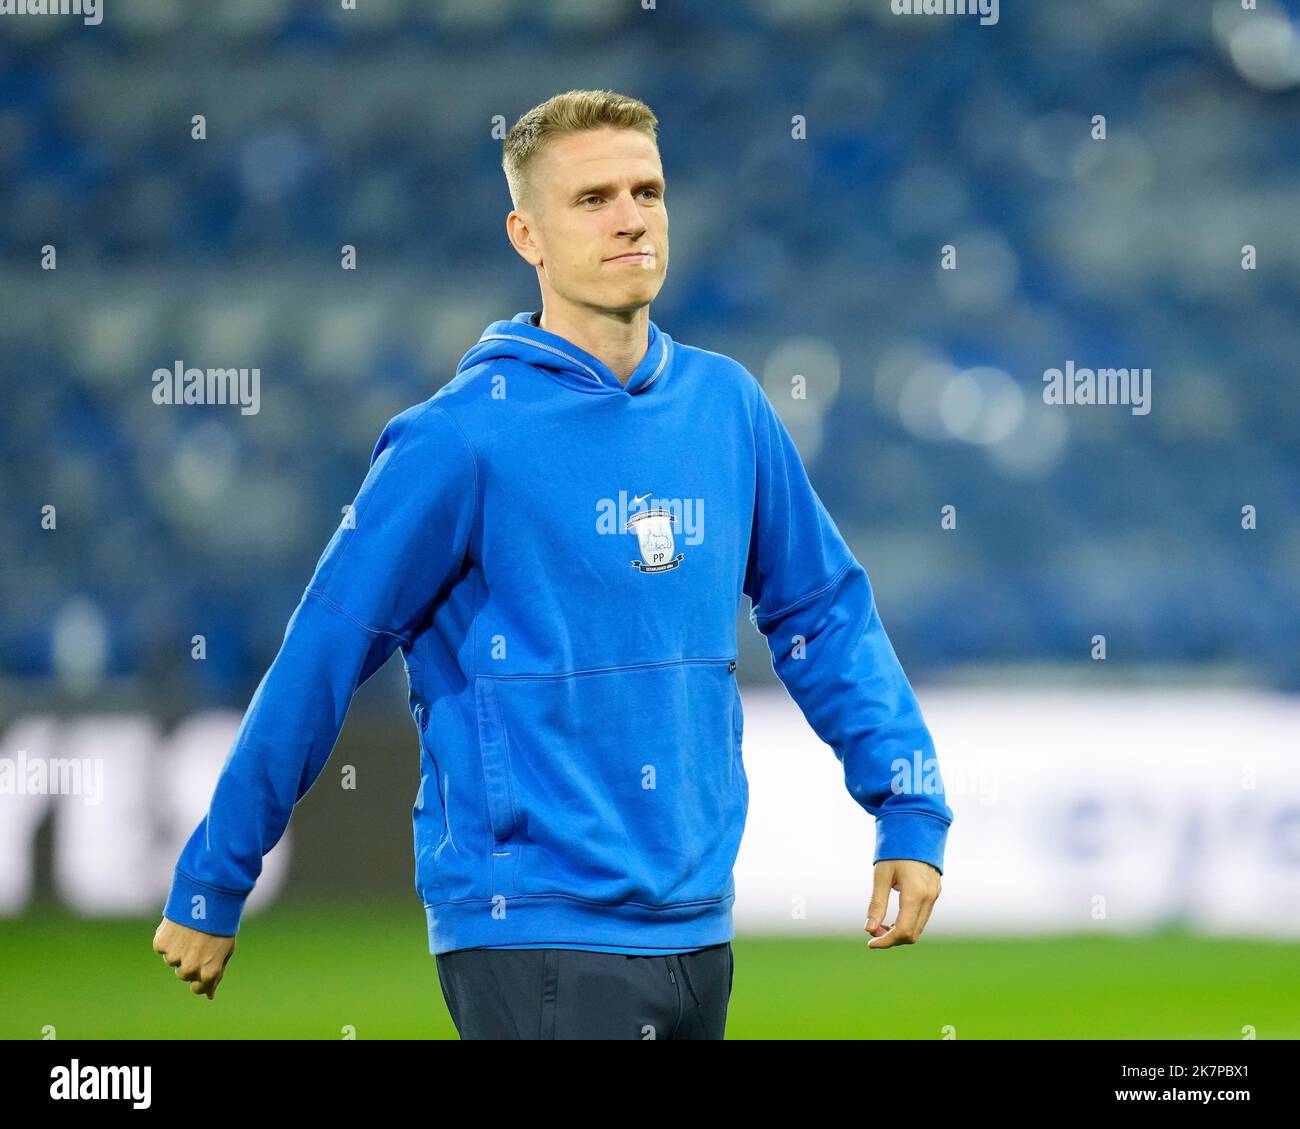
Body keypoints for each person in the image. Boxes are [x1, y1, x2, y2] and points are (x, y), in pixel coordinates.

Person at [153, 88, 954, 1040]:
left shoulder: (726, 406)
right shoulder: (460, 438)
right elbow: (325, 648)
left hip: (697, 926)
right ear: (525, 234)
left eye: (647, 191)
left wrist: (906, 804)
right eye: (592, 199)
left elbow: (824, 611)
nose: (630, 217)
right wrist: (215, 872)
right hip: (532, 933)